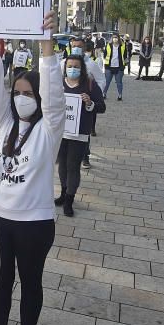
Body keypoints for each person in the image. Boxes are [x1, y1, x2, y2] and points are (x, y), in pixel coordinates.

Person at [0, 10, 61, 325]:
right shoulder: (5, 124)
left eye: (29, 94)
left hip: (34, 225)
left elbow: (55, 93)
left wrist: (48, 43)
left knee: (30, 285)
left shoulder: (49, 130)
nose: (21, 98)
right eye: (18, 93)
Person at [56, 52, 105, 215]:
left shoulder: (89, 84)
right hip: (60, 133)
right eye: (69, 66)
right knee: (62, 165)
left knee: (73, 166)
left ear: (82, 68)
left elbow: (102, 106)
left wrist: (90, 103)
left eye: (76, 67)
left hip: (79, 134)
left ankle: (69, 199)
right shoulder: (58, 84)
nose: (72, 69)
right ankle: (63, 193)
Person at [102, 33, 126, 101]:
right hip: (109, 66)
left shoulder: (122, 46)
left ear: (118, 38)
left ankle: (120, 95)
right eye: (113, 37)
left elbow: (125, 55)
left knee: (119, 82)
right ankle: (104, 93)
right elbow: (105, 54)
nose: (115, 39)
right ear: (112, 39)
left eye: (116, 37)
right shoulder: (108, 45)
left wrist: (125, 64)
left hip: (119, 67)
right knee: (107, 81)